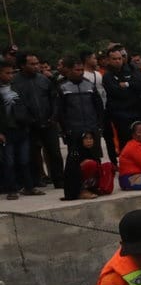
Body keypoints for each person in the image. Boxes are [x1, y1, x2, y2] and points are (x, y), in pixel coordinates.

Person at [12, 51, 64, 190]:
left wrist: (53, 117)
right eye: (32, 64)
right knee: (32, 154)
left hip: (48, 122)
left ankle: (59, 179)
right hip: (29, 125)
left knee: (54, 152)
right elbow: (17, 104)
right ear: (23, 65)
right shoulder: (15, 82)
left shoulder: (44, 79)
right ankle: (37, 180)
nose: (36, 66)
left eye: (37, 63)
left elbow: (54, 98)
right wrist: (29, 120)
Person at [1, 62, 44, 198]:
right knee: (9, 161)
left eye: (12, 73)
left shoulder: (18, 87)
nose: (10, 75)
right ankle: (12, 189)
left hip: (22, 128)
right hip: (7, 131)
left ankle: (29, 187)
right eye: (7, 73)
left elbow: (28, 105)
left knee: (25, 160)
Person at [61, 130, 113, 200]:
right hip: (76, 185)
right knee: (90, 164)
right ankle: (81, 192)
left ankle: (97, 189)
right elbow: (71, 173)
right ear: (80, 140)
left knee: (108, 166)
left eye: (91, 138)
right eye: (86, 138)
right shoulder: (74, 152)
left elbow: (99, 167)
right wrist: (83, 165)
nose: (89, 141)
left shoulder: (92, 151)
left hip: (90, 181)